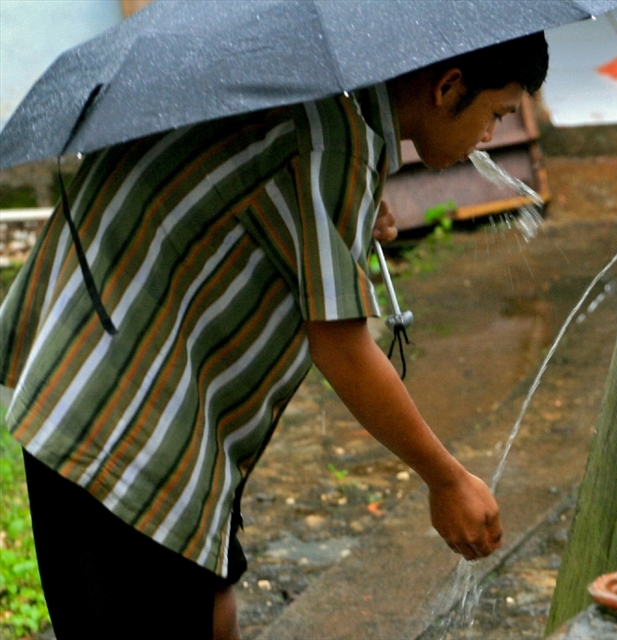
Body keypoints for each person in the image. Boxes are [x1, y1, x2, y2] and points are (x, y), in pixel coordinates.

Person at [0, 32, 548, 639]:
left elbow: (253, 193)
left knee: (215, 615)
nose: (490, 137)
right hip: (119, 426)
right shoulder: (330, 140)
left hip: (119, 391)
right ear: (447, 88)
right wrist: (447, 480)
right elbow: (341, 346)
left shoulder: (316, 108)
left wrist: (352, 213)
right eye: (494, 114)